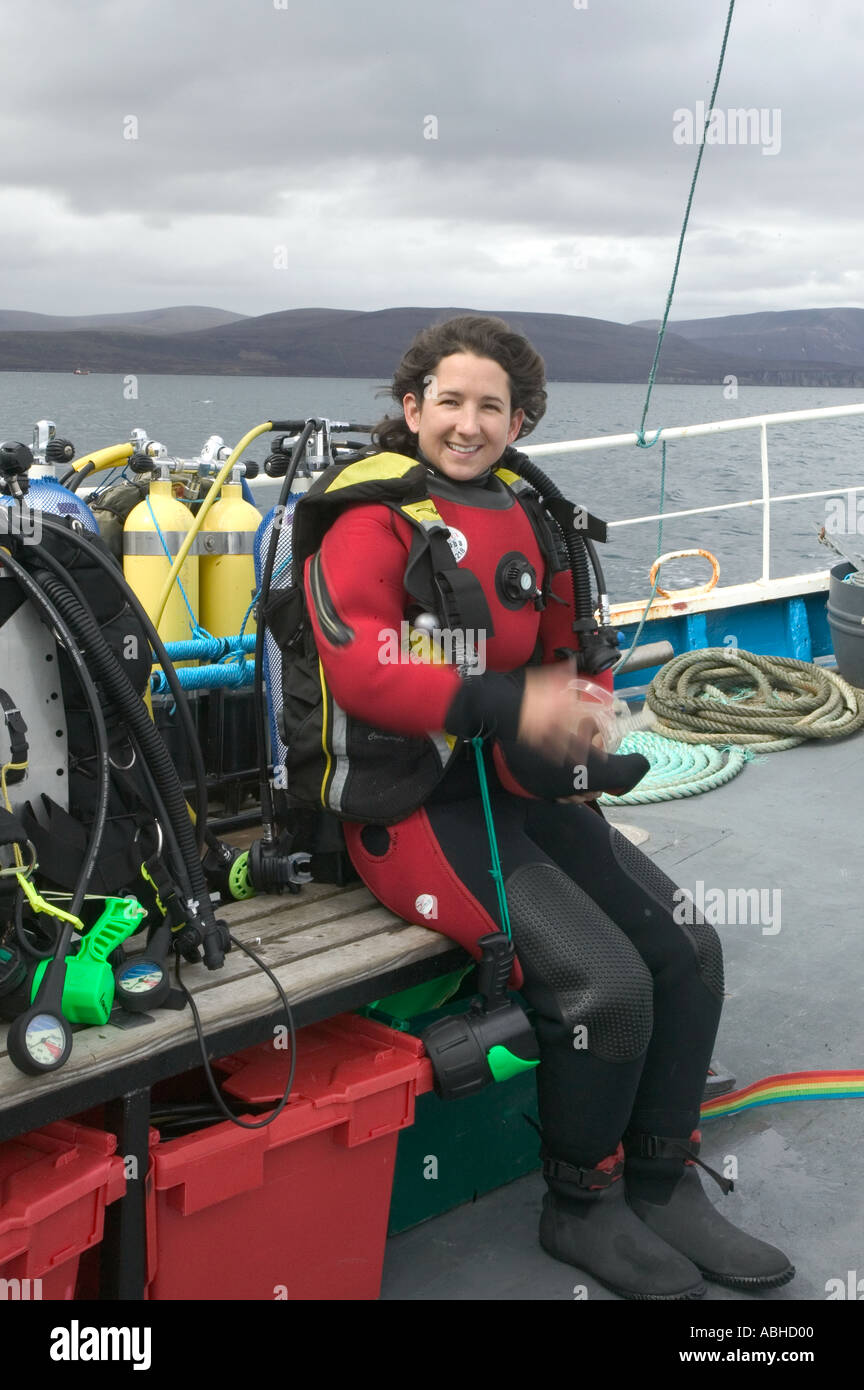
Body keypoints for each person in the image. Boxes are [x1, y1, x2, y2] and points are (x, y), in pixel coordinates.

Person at [299, 314, 794, 1300]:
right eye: (450, 401)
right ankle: (580, 1205)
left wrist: (587, 733)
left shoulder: (529, 512)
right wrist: (507, 701)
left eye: (493, 406)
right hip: (414, 808)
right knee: (605, 984)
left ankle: (660, 1181)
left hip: (517, 788)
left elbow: (564, 655)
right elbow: (365, 665)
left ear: (520, 418)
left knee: (689, 952)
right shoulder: (370, 518)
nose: (470, 423)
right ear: (412, 407)